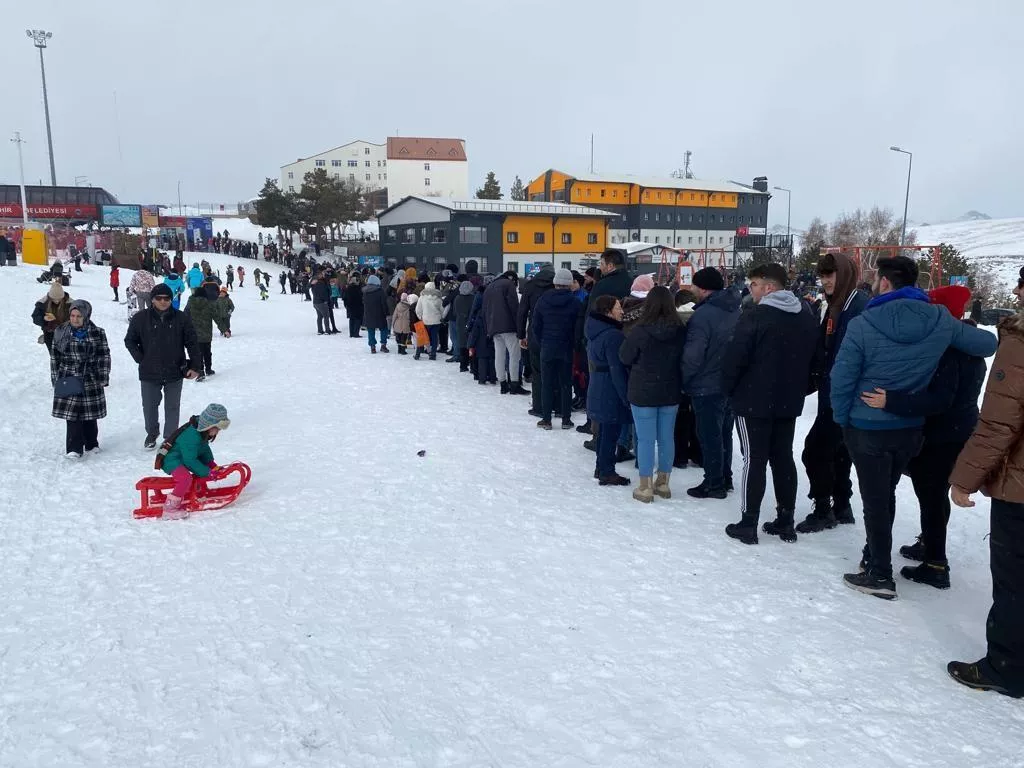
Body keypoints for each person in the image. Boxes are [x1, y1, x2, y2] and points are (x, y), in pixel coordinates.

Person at [830, 255, 998, 599]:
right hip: (910, 428)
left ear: (886, 283)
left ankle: (879, 575)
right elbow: (988, 345)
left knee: (876, 499)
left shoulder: (864, 322)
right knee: (886, 493)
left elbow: (842, 378)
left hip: (867, 425)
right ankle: (875, 558)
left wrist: (842, 419)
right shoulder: (939, 320)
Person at [858, 285, 985, 588]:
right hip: (959, 429)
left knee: (930, 497)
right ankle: (929, 546)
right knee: (934, 494)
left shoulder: (948, 351)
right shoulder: (970, 344)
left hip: (941, 436)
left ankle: (936, 565)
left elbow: (940, 400)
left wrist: (892, 401)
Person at [947, 278, 1024, 697]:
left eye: (1022, 286)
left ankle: (1007, 668)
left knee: (1015, 581)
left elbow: (998, 424)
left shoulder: (1019, 342)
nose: (1014, 293)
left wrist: (964, 479)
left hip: (1020, 489)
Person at [720, 263, 820, 545]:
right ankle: (785, 520)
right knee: (782, 458)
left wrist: (728, 389)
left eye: (753, 285)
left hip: (753, 399)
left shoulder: (755, 316)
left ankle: (748, 522)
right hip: (788, 401)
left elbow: (735, 357)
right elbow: (815, 360)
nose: (749, 290)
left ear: (769, 287)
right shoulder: (805, 315)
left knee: (754, 459)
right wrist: (801, 388)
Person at [797, 253, 869, 533]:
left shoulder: (856, 308)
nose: (826, 281)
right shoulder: (837, 305)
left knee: (814, 451)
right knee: (838, 452)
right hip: (835, 393)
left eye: (831, 275)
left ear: (846, 275)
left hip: (843, 396)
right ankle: (841, 504)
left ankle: (824, 508)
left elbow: (848, 357)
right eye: (823, 275)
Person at [619, 286, 687, 503]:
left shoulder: (641, 330)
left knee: (646, 439)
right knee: (667, 437)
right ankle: (664, 483)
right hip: (670, 390)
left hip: (643, 391)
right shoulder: (680, 330)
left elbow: (625, 357)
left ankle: (645, 486)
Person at [682, 267, 741, 499]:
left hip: (706, 383)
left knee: (708, 434)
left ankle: (713, 483)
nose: (692, 289)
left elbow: (693, 354)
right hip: (729, 382)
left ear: (703, 288)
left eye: (695, 286)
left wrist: (684, 379)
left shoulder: (703, 316)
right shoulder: (735, 309)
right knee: (724, 431)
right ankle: (725, 477)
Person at [124, 283, 202, 449]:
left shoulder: (181, 318)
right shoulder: (140, 318)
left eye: (166, 298)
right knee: (150, 406)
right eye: (159, 298)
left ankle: (170, 438)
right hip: (149, 371)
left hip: (175, 369)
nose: (163, 301)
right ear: (152, 300)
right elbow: (130, 340)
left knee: (172, 406)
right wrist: (141, 358)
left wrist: (195, 366)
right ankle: (152, 433)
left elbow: (192, 343)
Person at [50, 300, 111, 459]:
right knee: (72, 415)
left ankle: (91, 443)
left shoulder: (98, 332)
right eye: (72, 315)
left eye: (79, 316)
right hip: (69, 375)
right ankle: (74, 448)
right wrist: (56, 378)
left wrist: (103, 375)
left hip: (90, 377)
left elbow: (104, 355)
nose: (75, 319)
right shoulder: (61, 331)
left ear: (86, 316)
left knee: (89, 414)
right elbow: (55, 357)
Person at [585, 295, 631, 486]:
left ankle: (601, 466)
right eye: (618, 307)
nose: (622, 311)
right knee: (610, 430)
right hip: (610, 388)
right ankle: (606, 471)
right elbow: (617, 368)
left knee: (604, 429)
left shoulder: (595, 329)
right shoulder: (613, 335)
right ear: (607, 311)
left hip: (598, 383)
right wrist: (625, 395)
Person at [158, 403, 231, 520]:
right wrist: (207, 472)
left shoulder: (201, 432)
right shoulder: (191, 437)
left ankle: (197, 489)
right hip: (171, 459)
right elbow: (190, 461)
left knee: (198, 469)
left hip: (182, 456)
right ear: (209, 425)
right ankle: (169, 509)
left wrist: (211, 465)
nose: (218, 432)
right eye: (217, 428)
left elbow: (203, 449)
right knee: (185, 478)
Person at [532, 268, 584, 429]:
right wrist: (575, 344)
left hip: (547, 346)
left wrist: (542, 341)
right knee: (566, 384)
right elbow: (578, 327)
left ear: (555, 283)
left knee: (546, 383)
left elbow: (536, 325)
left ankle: (546, 419)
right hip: (566, 347)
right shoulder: (576, 302)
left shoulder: (543, 300)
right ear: (569, 284)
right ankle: (566, 418)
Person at [518, 264, 555, 415]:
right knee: (554, 370)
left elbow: (522, 311)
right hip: (554, 333)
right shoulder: (556, 285)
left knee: (537, 371)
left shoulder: (530, 285)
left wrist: (521, 335)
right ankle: (556, 405)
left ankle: (538, 406)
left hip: (534, 332)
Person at [484, 271, 527, 394]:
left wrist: (488, 328)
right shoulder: (508, 285)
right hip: (509, 327)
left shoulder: (490, 286)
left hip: (494, 328)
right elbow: (514, 307)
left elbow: (485, 310)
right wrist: (520, 327)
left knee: (499, 355)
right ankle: (514, 384)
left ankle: (503, 384)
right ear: (513, 278)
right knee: (514, 356)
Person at [185, 282, 232, 380]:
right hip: (206, 334)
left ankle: (200, 371)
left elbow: (184, 317)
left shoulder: (190, 304)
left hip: (194, 334)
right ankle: (209, 369)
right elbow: (217, 318)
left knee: (198, 353)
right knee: (207, 352)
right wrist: (225, 330)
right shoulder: (209, 304)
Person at [32, 280, 72, 353]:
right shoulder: (42, 303)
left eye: (59, 299)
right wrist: (44, 318)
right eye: (54, 299)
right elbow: (35, 317)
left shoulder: (70, 303)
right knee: (54, 355)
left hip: (66, 333)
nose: (56, 301)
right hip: (49, 333)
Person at [361, 275, 391, 353]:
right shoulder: (380, 291)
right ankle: (383, 345)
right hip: (380, 313)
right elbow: (384, 303)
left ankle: (372, 346)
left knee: (371, 330)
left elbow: (363, 302)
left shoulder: (365, 291)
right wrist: (387, 313)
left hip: (369, 314)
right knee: (383, 329)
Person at [417, 280, 445, 360]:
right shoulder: (438, 298)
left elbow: (418, 309)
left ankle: (420, 352)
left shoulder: (422, 298)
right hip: (436, 321)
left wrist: (420, 317)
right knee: (434, 337)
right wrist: (441, 317)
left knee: (424, 336)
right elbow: (442, 310)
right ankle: (433, 354)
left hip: (425, 320)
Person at [453, 280, 476, 372]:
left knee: (462, 344)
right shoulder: (473, 298)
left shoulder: (457, 298)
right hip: (471, 323)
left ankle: (463, 365)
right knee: (471, 344)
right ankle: (472, 365)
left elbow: (454, 312)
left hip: (460, 323)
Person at [342, 273, 364, 338]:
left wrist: (346, 305)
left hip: (349, 306)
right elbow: (360, 297)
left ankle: (351, 333)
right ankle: (356, 333)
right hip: (357, 306)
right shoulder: (357, 288)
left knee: (351, 319)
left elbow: (344, 297)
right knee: (358, 319)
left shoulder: (348, 288)